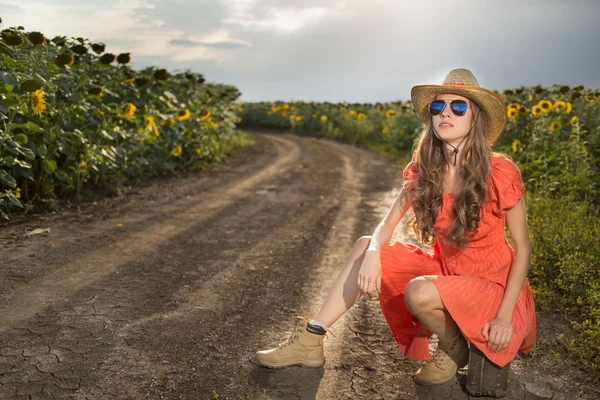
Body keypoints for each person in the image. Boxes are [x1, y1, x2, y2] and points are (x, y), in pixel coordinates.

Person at [254, 68, 537, 386]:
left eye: (458, 107)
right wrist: (374, 252)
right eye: (437, 107)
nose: (445, 112)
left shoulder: (500, 171)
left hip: (493, 290)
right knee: (364, 245)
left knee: (418, 291)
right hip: (447, 278)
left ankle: (452, 345)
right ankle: (311, 340)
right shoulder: (425, 169)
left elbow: (523, 248)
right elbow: (384, 226)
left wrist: (503, 315)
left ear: (476, 118)